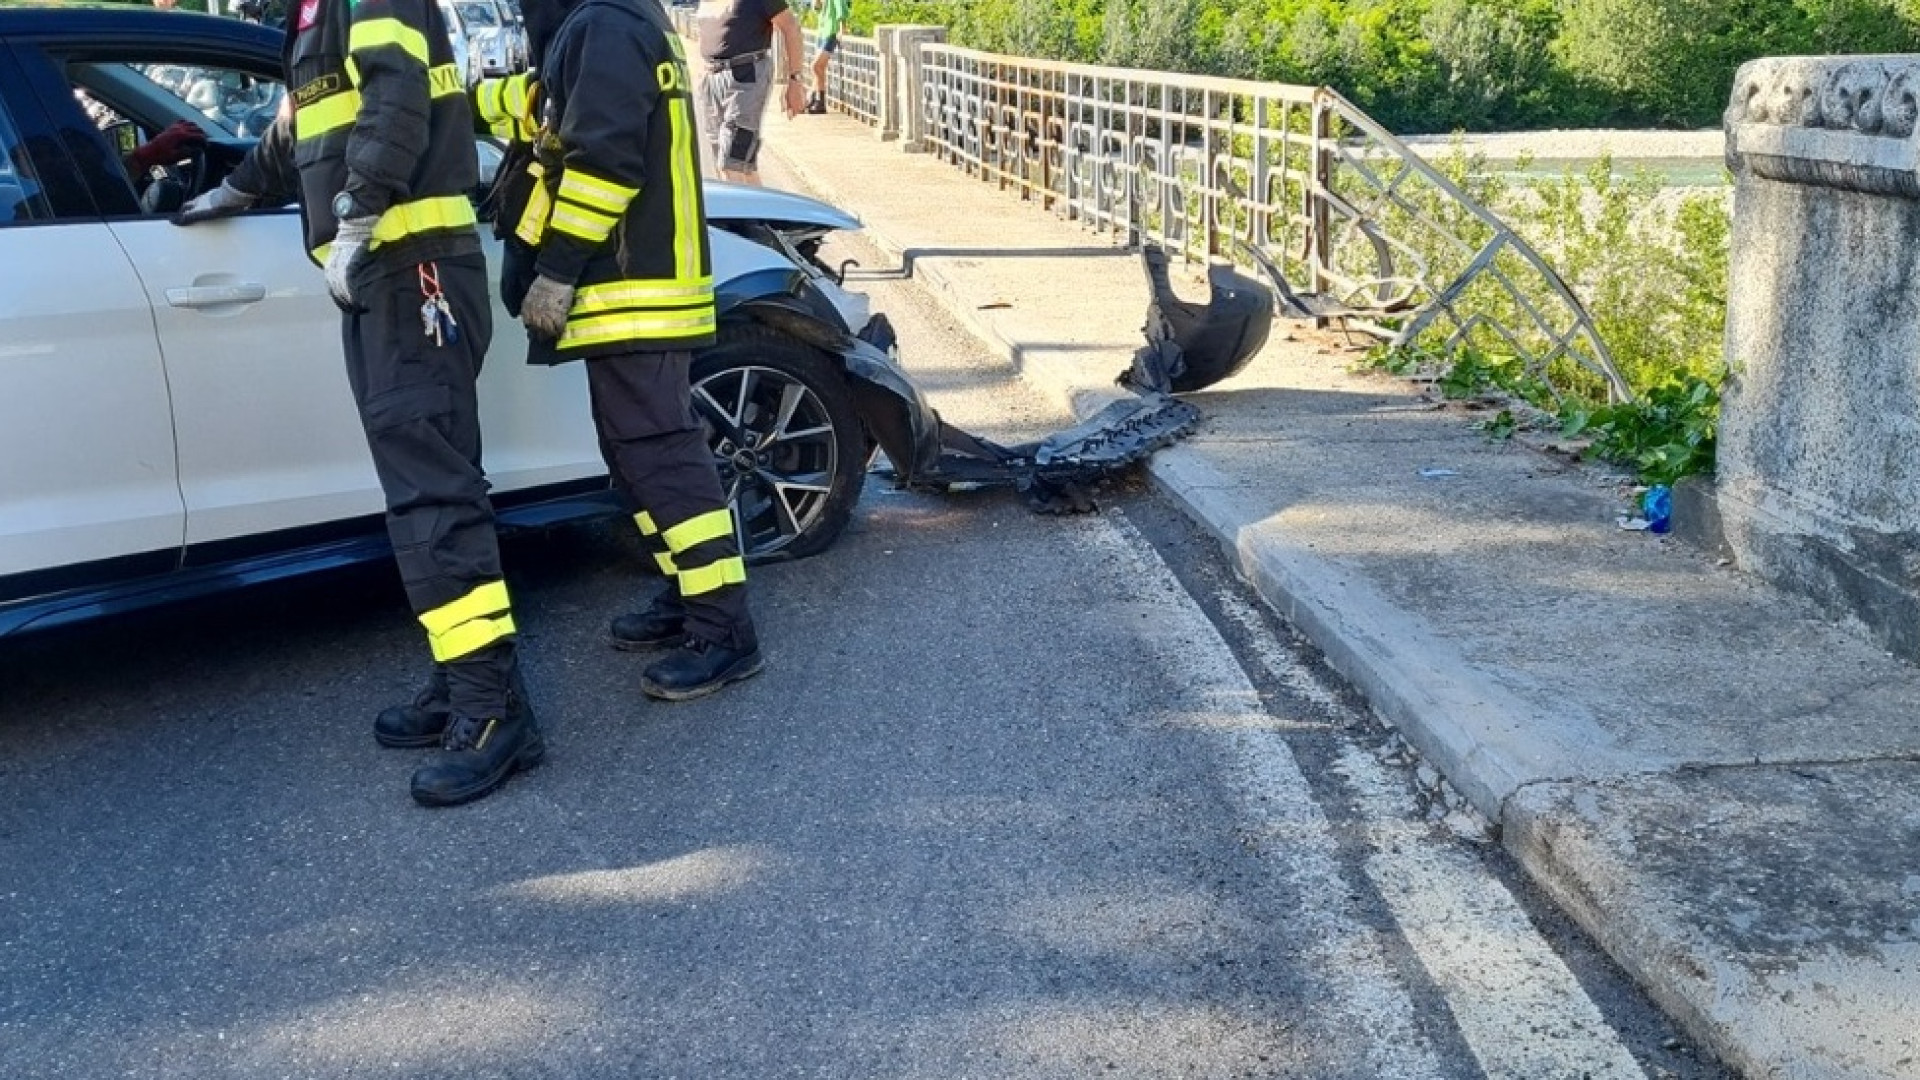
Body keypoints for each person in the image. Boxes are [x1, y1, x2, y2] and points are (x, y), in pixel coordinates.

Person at [173, 0, 544, 807]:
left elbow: (396, 93)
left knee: (434, 494)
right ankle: (463, 677)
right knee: (423, 490)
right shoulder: (316, 12)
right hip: (387, 272)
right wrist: (233, 189)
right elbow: (303, 124)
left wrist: (358, 209)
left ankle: (493, 709)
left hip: (412, 263)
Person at [477, 0, 764, 701]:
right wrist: (468, 99)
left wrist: (557, 271)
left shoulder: (604, 26)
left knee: (661, 454)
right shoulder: (608, 22)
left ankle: (723, 629)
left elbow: (603, 165)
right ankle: (686, 591)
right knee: (636, 454)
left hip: (634, 286)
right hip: (631, 286)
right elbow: (551, 111)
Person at [692, 0, 805, 184]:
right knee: (741, 166)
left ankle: (736, 211)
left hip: (746, 76)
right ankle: (763, 211)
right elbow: (705, 31)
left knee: (730, 162)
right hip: (711, 78)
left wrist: (795, 81)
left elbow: (791, 28)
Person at [803, 0, 847, 115]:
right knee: (819, 68)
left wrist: (842, 28)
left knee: (816, 66)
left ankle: (818, 100)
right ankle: (814, 100)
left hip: (831, 32)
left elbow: (841, 6)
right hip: (822, 32)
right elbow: (817, 9)